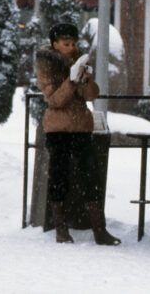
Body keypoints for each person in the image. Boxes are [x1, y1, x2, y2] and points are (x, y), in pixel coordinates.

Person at [35, 22, 121, 246]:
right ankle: (60, 228)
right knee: (59, 176)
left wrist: (86, 80)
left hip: (82, 127)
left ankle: (99, 229)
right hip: (58, 129)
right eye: (66, 44)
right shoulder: (46, 65)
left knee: (91, 176)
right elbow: (54, 100)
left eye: (73, 43)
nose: (71, 47)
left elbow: (92, 96)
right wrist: (70, 81)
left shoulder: (79, 61)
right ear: (55, 45)